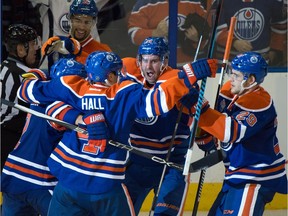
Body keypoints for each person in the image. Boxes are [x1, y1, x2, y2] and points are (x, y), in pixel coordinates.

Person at [16, 51, 217, 214]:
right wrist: (187, 76)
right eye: (117, 73)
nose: (121, 76)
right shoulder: (123, 94)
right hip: (105, 187)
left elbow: (27, 93)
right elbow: (156, 102)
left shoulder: (72, 86)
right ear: (110, 76)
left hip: (67, 183)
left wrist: (81, 116)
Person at [181, 52, 288, 215]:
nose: (231, 78)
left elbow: (229, 132)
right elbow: (212, 136)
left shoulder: (259, 101)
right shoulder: (232, 93)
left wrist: (199, 107)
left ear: (251, 80)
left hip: (255, 177)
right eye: (231, 72)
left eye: (236, 75)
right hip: (235, 176)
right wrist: (203, 135)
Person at [122, 37, 216, 215]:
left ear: (164, 61)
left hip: (171, 166)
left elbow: (202, 120)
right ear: (138, 60)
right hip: (136, 162)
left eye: (155, 61)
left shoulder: (177, 82)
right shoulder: (128, 73)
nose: (149, 67)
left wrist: (206, 140)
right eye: (145, 60)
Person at [1, 24, 41, 171]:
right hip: (11, 138)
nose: (36, 49)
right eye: (32, 44)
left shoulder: (3, 67)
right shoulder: (27, 75)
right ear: (20, 49)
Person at [32, 0, 112, 70]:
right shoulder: (56, 44)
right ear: (70, 20)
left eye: (87, 22)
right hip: (48, 69)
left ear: (94, 23)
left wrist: (75, 50)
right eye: (78, 20)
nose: (82, 27)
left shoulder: (103, 51)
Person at [127, 0, 210, 67]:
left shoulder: (196, 3)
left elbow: (209, 34)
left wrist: (198, 39)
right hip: (156, 70)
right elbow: (133, 34)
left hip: (190, 68)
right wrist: (154, 34)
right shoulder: (144, 3)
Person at [214, 0, 287, 66]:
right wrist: (233, 42)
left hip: (260, 61)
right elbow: (215, 29)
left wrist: (275, 50)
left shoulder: (274, 2)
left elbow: (279, 24)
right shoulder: (221, 2)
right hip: (227, 63)